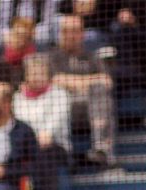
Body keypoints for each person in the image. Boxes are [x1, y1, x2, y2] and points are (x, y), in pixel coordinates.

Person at [49, 14, 116, 168]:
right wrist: (91, 81)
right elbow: (55, 80)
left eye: (75, 31)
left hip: (90, 107)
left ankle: (101, 148)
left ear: (82, 34)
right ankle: (66, 158)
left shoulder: (92, 56)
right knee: (95, 89)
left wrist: (72, 82)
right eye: (66, 31)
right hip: (62, 108)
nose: (70, 35)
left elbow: (107, 82)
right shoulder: (53, 56)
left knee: (100, 93)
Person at [13, 54, 71, 190]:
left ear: (47, 75)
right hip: (27, 146)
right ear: (26, 76)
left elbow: (56, 121)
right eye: (33, 73)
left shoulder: (59, 94)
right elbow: (18, 123)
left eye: (41, 73)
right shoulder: (17, 98)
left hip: (55, 146)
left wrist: (44, 135)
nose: (37, 77)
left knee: (45, 152)